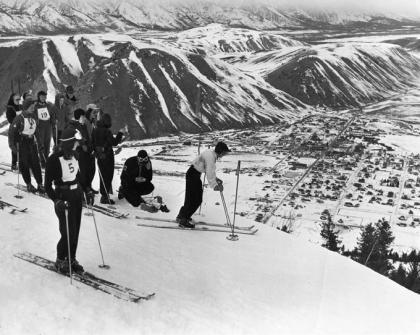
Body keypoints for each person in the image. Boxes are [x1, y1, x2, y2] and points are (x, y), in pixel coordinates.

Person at [44, 128, 94, 274]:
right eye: (75, 142)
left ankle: (71, 258)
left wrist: (87, 190)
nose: (77, 145)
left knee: (75, 230)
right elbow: (47, 185)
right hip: (63, 195)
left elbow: (79, 177)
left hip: (76, 195)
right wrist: (56, 200)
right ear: (69, 143)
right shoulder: (53, 160)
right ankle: (60, 260)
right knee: (67, 232)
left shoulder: (75, 155)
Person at [176, 142, 231, 228]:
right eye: (224, 152)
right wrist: (215, 185)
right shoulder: (211, 157)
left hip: (193, 173)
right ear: (220, 151)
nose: (224, 154)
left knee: (190, 198)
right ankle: (184, 220)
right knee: (197, 199)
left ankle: (181, 216)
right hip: (194, 175)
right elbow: (209, 171)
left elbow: (209, 170)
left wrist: (215, 179)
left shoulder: (210, 153)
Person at [8, 98, 44, 193]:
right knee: (24, 164)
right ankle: (28, 184)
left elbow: (36, 131)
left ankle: (40, 184)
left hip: (32, 142)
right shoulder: (19, 118)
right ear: (26, 107)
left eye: (34, 106)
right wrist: (13, 147)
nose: (33, 108)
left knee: (36, 164)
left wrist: (40, 143)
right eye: (31, 106)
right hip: (22, 142)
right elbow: (12, 132)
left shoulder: (34, 117)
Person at [92, 113, 124, 204]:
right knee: (108, 176)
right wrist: (120, 133)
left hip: (99, 156)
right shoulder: (106, 131)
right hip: (108, 155)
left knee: (102, 175)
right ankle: (105, 197)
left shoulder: (95, 129)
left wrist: (96, 152)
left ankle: (104, 195)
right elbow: (114, 142)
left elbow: (93, 142)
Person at [66, 108, 95, 193]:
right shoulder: (73, 126)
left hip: (86, 150)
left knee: (90, 169)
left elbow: (87, 137)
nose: (84, 118)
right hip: (78, 151)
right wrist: (82, 145)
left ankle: (88, 186)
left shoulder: (83, 125)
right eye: (83, 116)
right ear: (79, 117)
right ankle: (83, 187)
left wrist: (90, 146)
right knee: (82, 170)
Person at [34, 91, 55, 168]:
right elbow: (34, 115)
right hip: (40, 127)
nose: (43, 98)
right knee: (41, 144)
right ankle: (42, 161)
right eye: (42, 96)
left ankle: (46, 158)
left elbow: (52, 114)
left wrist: (53, 122)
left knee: (47, 143)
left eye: (45, 96)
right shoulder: (35, 106)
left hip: (48, 127)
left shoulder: (48, 105)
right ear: (39, 97)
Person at [6, 93, 22, 170]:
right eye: (17, 99)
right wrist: (18, 122)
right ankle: (14, 164)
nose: (18, 101)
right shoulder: (10, 108)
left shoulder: (20, 107)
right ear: (12, 100)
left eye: (19, 99)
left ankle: (21, 163)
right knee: (15, 147)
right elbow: (10, 120)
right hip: (14, 130)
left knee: (22, 146)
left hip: (21, 129)